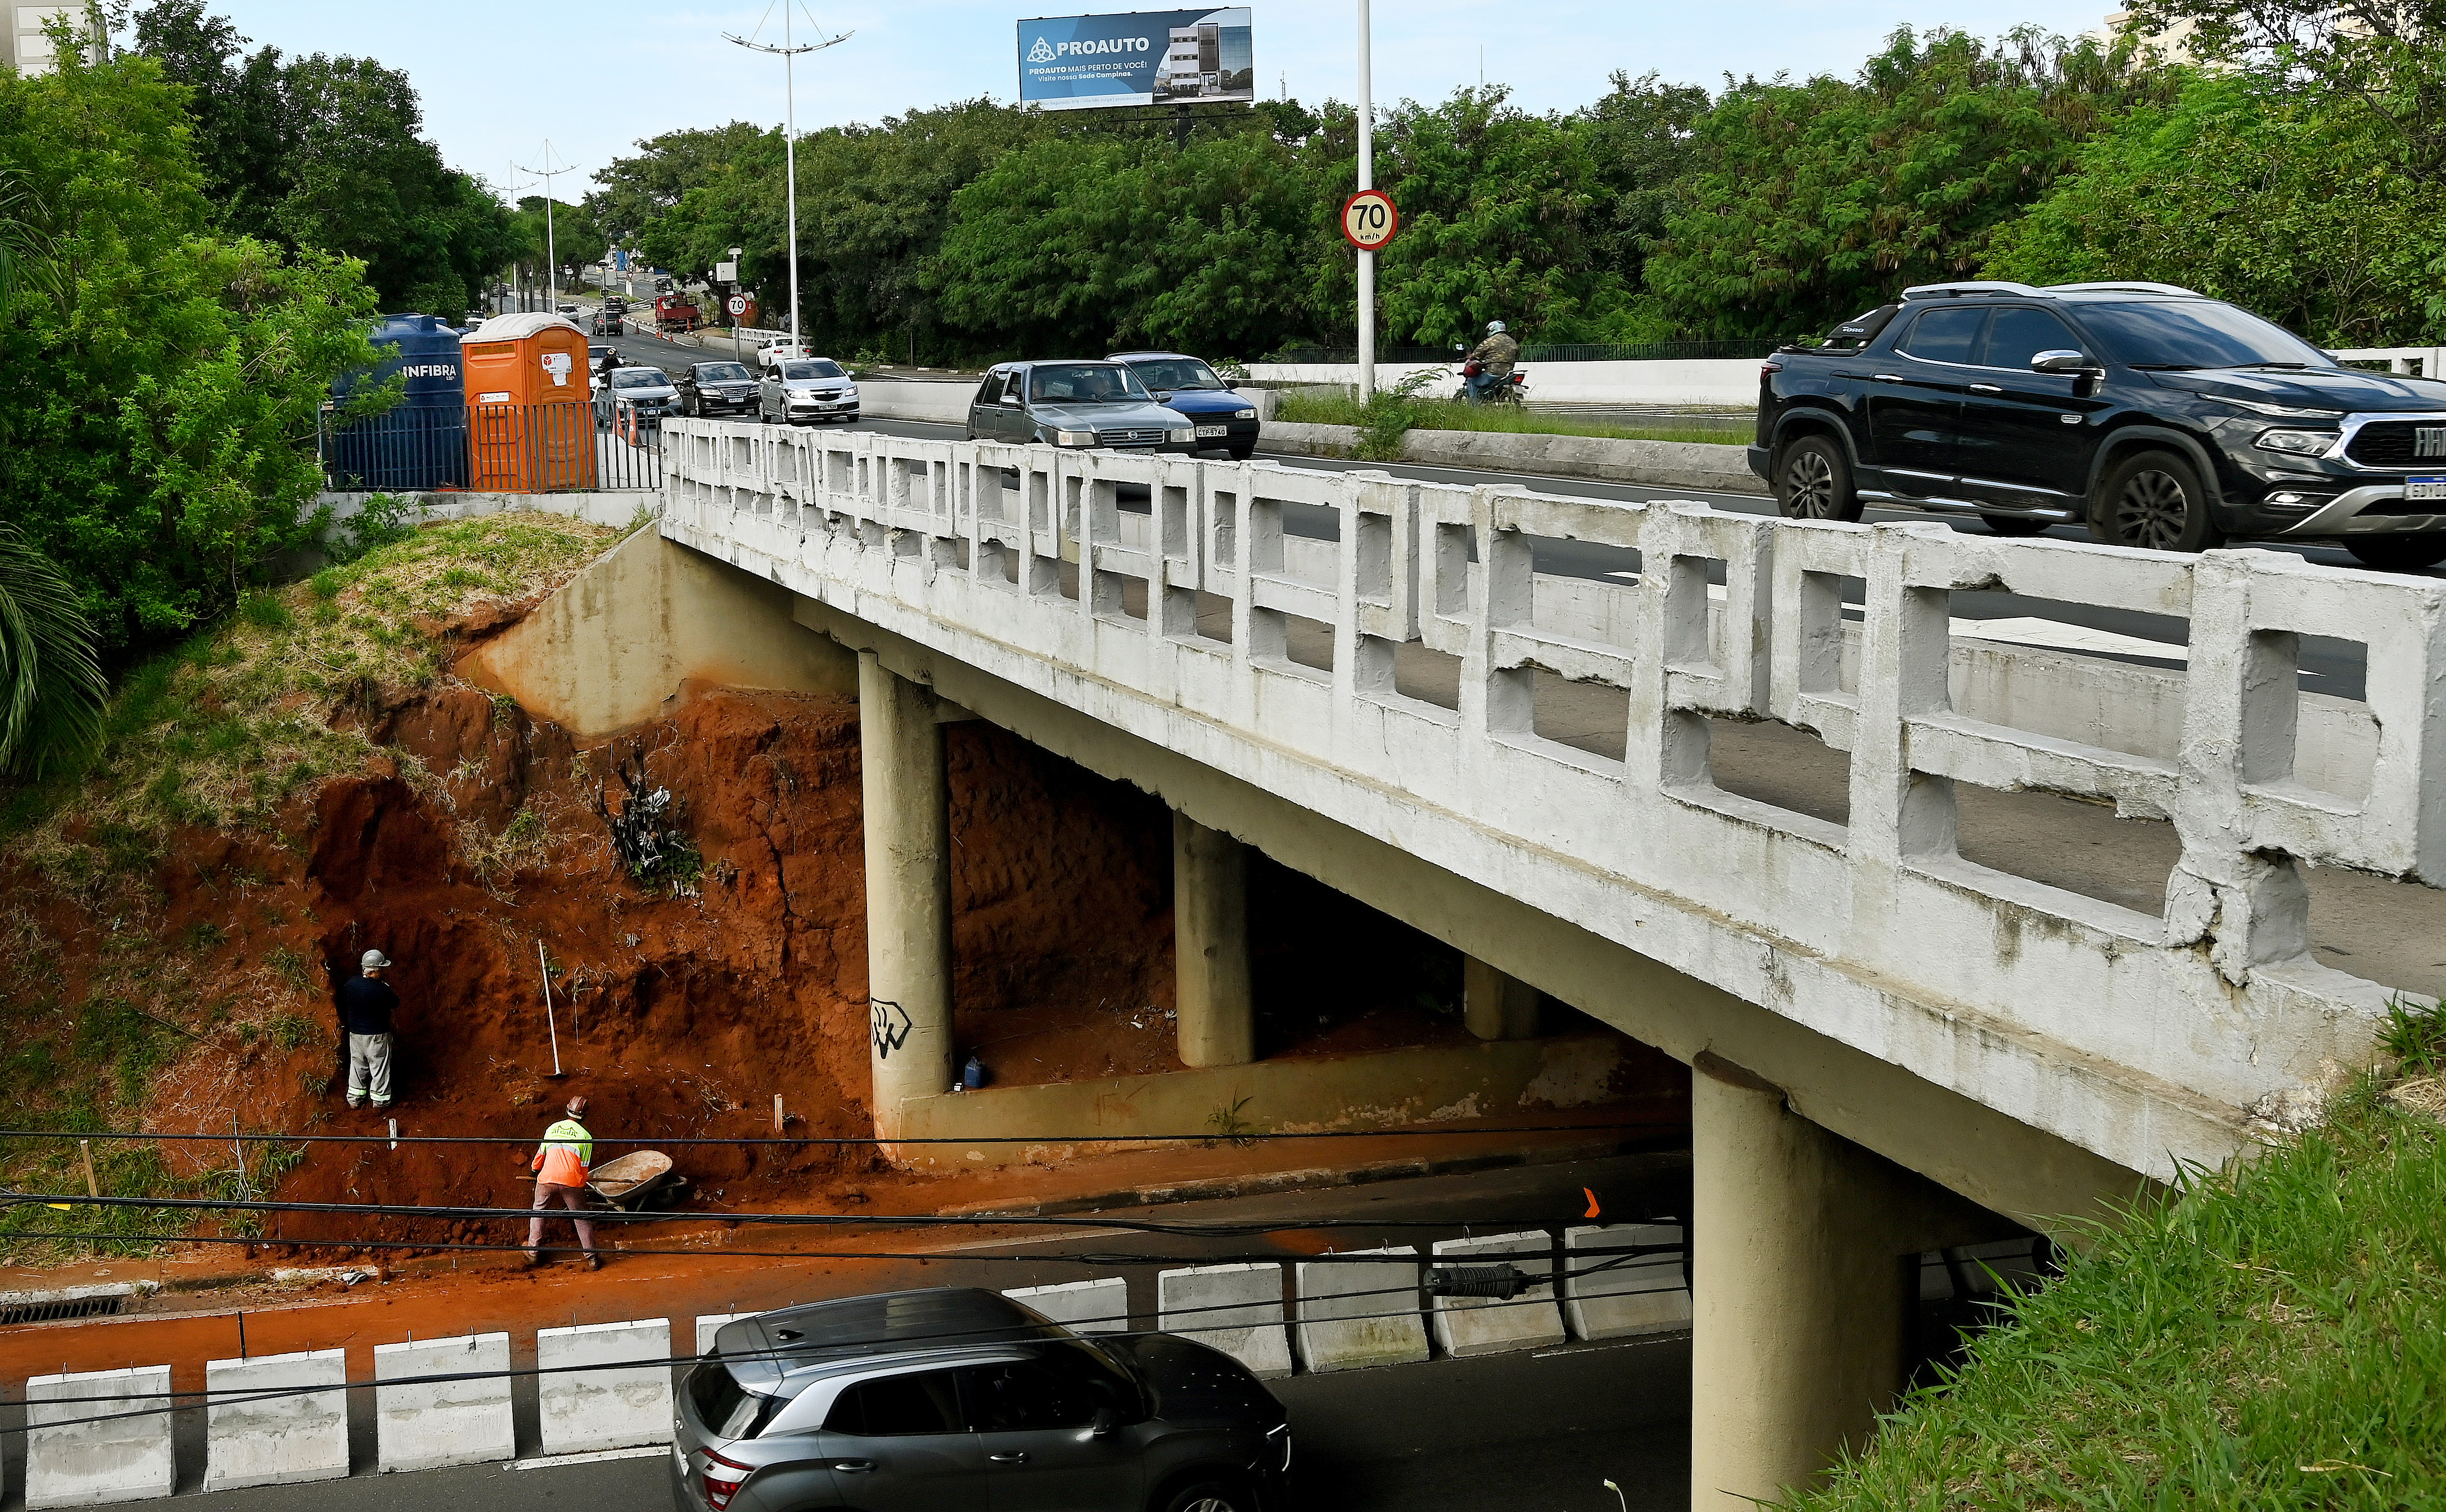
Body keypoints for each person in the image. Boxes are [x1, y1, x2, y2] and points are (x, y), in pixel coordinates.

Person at [524, 1095, 602, 1270]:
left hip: (546, 1179)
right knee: (581, 1217)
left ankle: (533, 1253)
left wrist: (534, 1171)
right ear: (585, 1115)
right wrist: (579, 1186)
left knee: (539, 1211)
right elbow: (584, 1168)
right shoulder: (586, 1137)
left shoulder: (552, 1128)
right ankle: (592, 1258)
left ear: (567, 1109)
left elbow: (540, 1156)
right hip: (571, 1183)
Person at [337, 949, 399, 1111]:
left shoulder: (351, 985)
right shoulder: (382, 989)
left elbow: (343, 997)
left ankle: (354, 1099)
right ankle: (380, 1101)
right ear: (375, 971)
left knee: (357, 1066)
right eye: (381, 969)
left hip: (356, 1035)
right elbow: (395, 1002)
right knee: (379, 1067)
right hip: (377, 1036)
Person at [1464, 320, 1519, 403]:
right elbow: (1517, 356)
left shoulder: (1490, 341)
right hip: (1507, 374)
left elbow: (1476, 355)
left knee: (1471, 381)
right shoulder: (1512, 342)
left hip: (1493, 373)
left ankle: (1474, 407)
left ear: (1492, 329)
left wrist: (1470, 357)